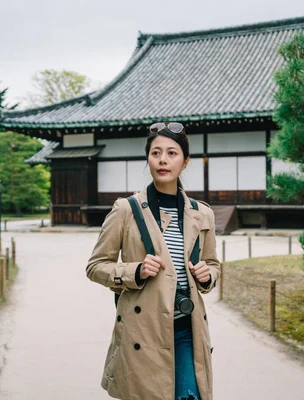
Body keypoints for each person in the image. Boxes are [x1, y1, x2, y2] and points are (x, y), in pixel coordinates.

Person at [86, 122, 220, 400]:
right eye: (156, 153)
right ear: (147, 159)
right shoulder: (126, 209)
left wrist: (208, 275)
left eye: (172, 153)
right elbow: (96, 266)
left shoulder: (202, 213)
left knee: (189, 395)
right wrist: (134, 270)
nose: (163, 159)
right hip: (142, 329)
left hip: (187, 326)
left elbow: (213, 263)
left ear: (185, 162)